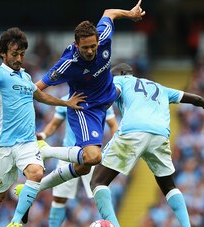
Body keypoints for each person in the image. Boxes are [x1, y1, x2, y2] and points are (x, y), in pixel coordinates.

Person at [0, 27, 85, 227]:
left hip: (27, 142)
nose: (19, 58)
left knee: (36, 173)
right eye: (14, 54)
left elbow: (41, 96)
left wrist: (66, 103)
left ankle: (15, 222)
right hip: (3, 145)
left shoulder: (25, 77)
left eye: (22, 54)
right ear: (3, 53)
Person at [89, 63, 204, 227]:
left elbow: (111, 94)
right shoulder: (160, 87)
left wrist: (99, 105)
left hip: (134, 131)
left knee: (97, 182)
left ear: (122, 73)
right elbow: (192, 98)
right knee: (169, 186)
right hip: (160, 134)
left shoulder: (120, 80)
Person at [35, 0, 146, 194]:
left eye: (93, 46)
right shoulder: (67, 63)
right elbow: (35, 90)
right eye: (85, 47)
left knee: (139, 87)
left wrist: (131, 14)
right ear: (76, 44)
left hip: (108, 93)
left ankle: (38, 186)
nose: (90, 51)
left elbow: (109, 12)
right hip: (88, 109)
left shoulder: (103, 36)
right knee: (93, 158)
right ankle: (47, 152)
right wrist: (65, 103)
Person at [37, 99, 117, 227]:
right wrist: (43, 134)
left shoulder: (102, 98)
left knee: (99, 193)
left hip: (92, 154)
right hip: (68, 153)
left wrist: (114, 147)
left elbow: (113, 125)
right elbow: (54, 124)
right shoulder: (65, 100)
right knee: (59, 198)